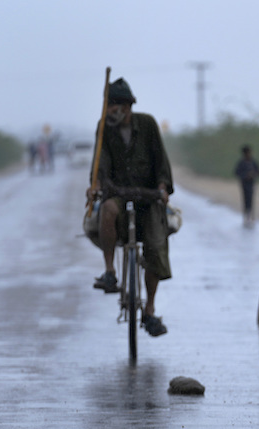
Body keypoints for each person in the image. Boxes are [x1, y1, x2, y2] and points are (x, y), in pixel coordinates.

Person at [86, 77, 174, 337]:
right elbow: (99, 161)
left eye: (115, 105)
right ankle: (110, 271)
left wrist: (162, 187)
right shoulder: (104, 128)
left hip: (148, 197)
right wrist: (96, 185)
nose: (110, 110)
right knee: (107, 211)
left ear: (127, 106)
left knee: (156, 248)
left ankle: (149, 310)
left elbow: (161, 159)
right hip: (118, 194)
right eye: (108, 105)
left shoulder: (146, 124)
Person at [234, 144, 259, 227]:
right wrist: (246, 176)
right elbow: (237, 172)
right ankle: (246, 216)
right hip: (244, 184)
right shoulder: (241, 162)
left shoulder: (253, 162)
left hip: (251, 183)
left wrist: (253, 175)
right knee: (245, 200)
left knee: (251, 199)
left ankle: (251, 216)